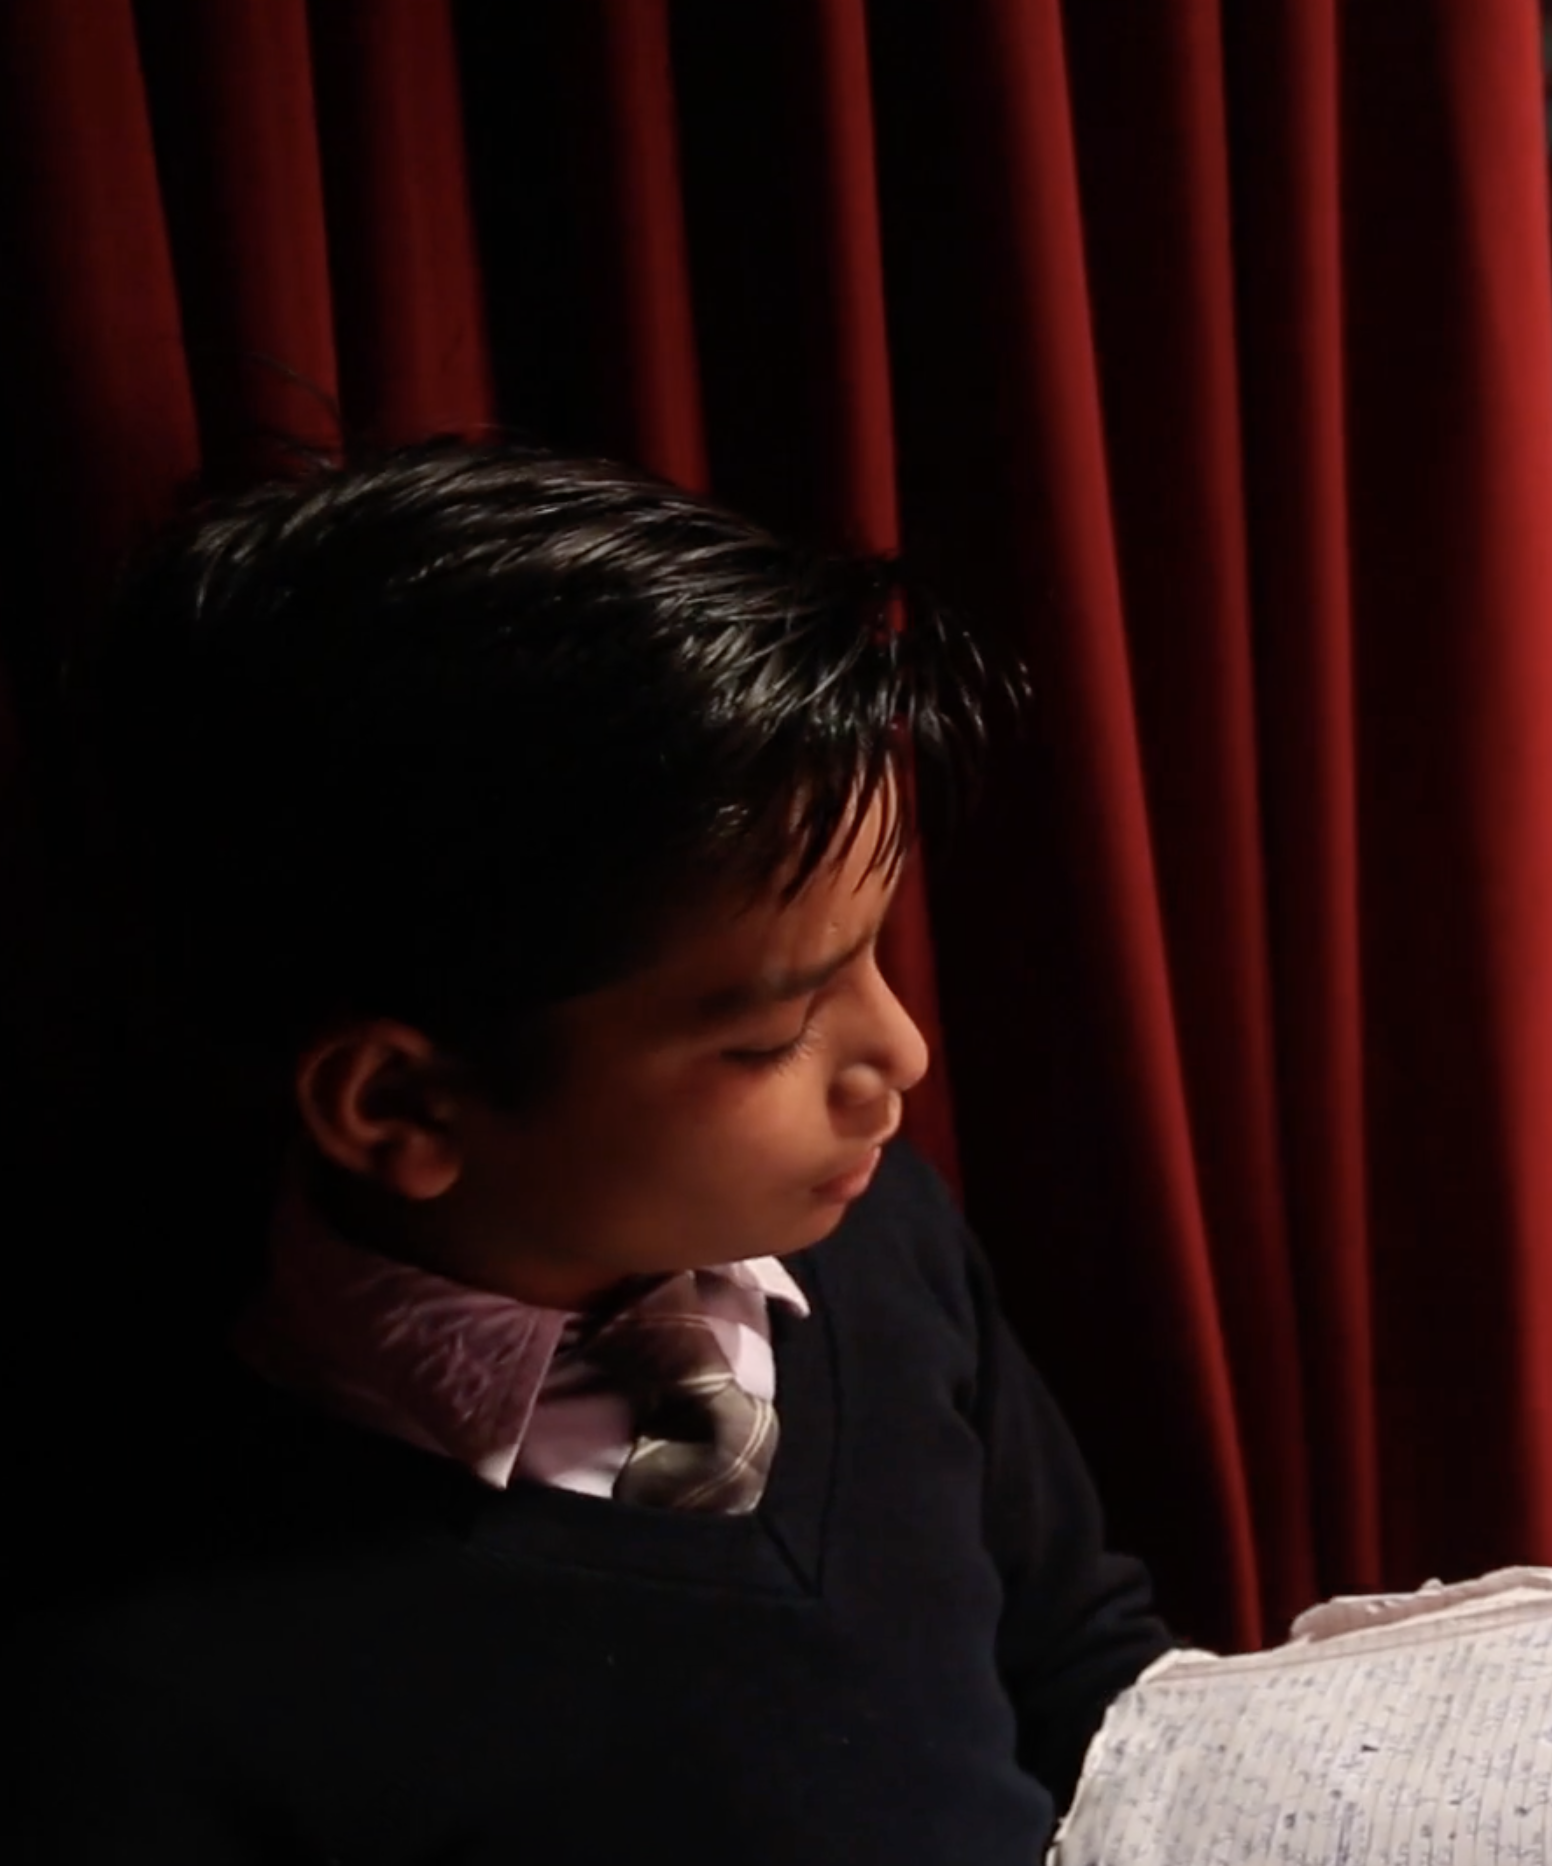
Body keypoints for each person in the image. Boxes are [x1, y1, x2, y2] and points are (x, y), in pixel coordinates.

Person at [8, 445, 1181, 1863]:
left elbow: (1080, 1661)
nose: (903, 1059)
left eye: (872, 953)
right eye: (773, 1031)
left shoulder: (871, 1239)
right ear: (403, 1108)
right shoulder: (151, 1670)